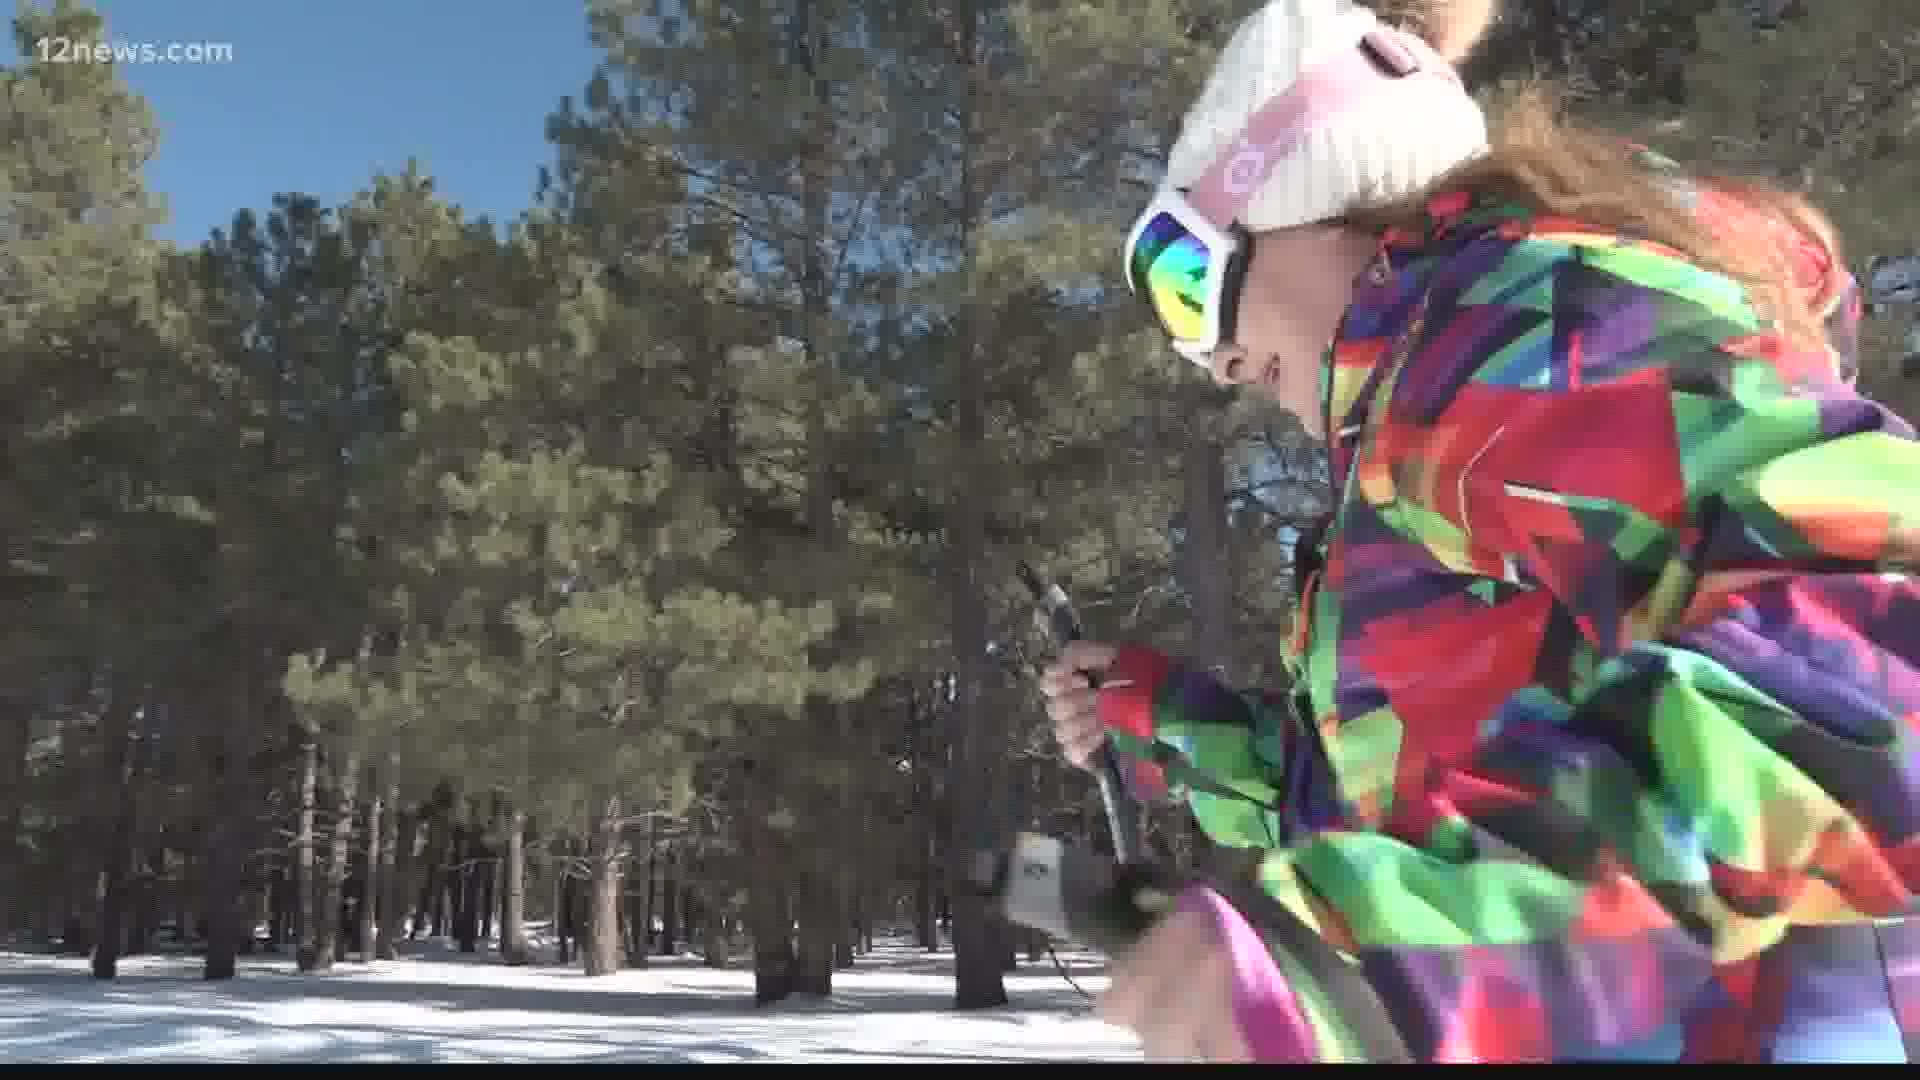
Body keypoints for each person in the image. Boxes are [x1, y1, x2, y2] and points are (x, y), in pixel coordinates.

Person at [1039, 0, 1920, 1063]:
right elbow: (1394, 792)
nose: (1212, 358)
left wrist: (1407, 947)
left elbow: (1879, 633)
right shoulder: (1423, 415)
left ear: (1320, 194)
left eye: (1191, 282)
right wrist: (1170, 722)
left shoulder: (1533, 321)